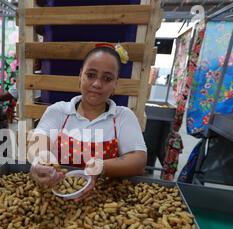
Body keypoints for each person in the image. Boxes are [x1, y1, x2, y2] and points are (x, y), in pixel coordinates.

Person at [29, 44, 147, 200]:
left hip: (104, 201)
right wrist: (39, 160)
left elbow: (138, 160)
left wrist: (100, 167)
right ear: (80, 76)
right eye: (91, 75)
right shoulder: (58, 111)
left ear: (115, 84)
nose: (97, 84)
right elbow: (39, 140)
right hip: (56, 194)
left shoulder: (123, 117)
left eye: (107, 78)